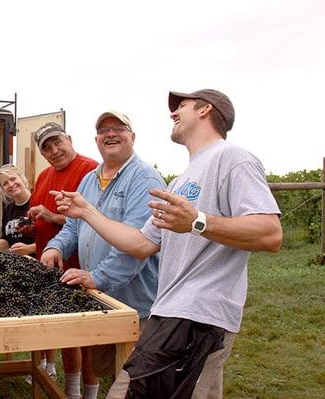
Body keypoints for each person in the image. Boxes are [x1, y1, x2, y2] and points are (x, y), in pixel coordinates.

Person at [53, 89, 283, 399]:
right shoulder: (181, 180)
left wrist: (197, 222)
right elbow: (140, 243)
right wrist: (87, 212)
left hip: (201, 316)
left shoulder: (232, 157)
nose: (173, 113)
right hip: (170, 311)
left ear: (205, 110)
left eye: (182, 106)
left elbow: (270, 233)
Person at [41, 111, 164, 382]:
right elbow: (74, 225)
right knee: (110, 372)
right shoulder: (90, 179)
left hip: (134, 304)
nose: (110, 134)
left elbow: (137, 244)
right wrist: (55, 248)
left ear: (132, 136)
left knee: (134, 379)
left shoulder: (144, 179)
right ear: (96, 139)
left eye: (118, 128)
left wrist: (97, 277)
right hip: (103, 298)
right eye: (104, 130)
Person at [25, 122, 98, 399]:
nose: (54, 150)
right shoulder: (43, 176)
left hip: (83, 266)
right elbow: (43, 216)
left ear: (69, 138)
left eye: (57, 142)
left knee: (88, 337)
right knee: (66, 335)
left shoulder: (89, 169)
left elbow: (96, 219)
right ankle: (71, 391)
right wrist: (33, 226)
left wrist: (53, 217)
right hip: (51, 268)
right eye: (47, 147)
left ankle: (88, 394)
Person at [0, 164, 35, 256]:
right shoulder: (8, 209)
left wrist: (29, 249)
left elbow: (52, 238)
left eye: (13, 179)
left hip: (39, 263)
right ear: (3, 189)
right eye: (5, 183)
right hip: (18, 264)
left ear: (22, 178)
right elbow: (7, 239)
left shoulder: (38, 202)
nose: (11, 185)